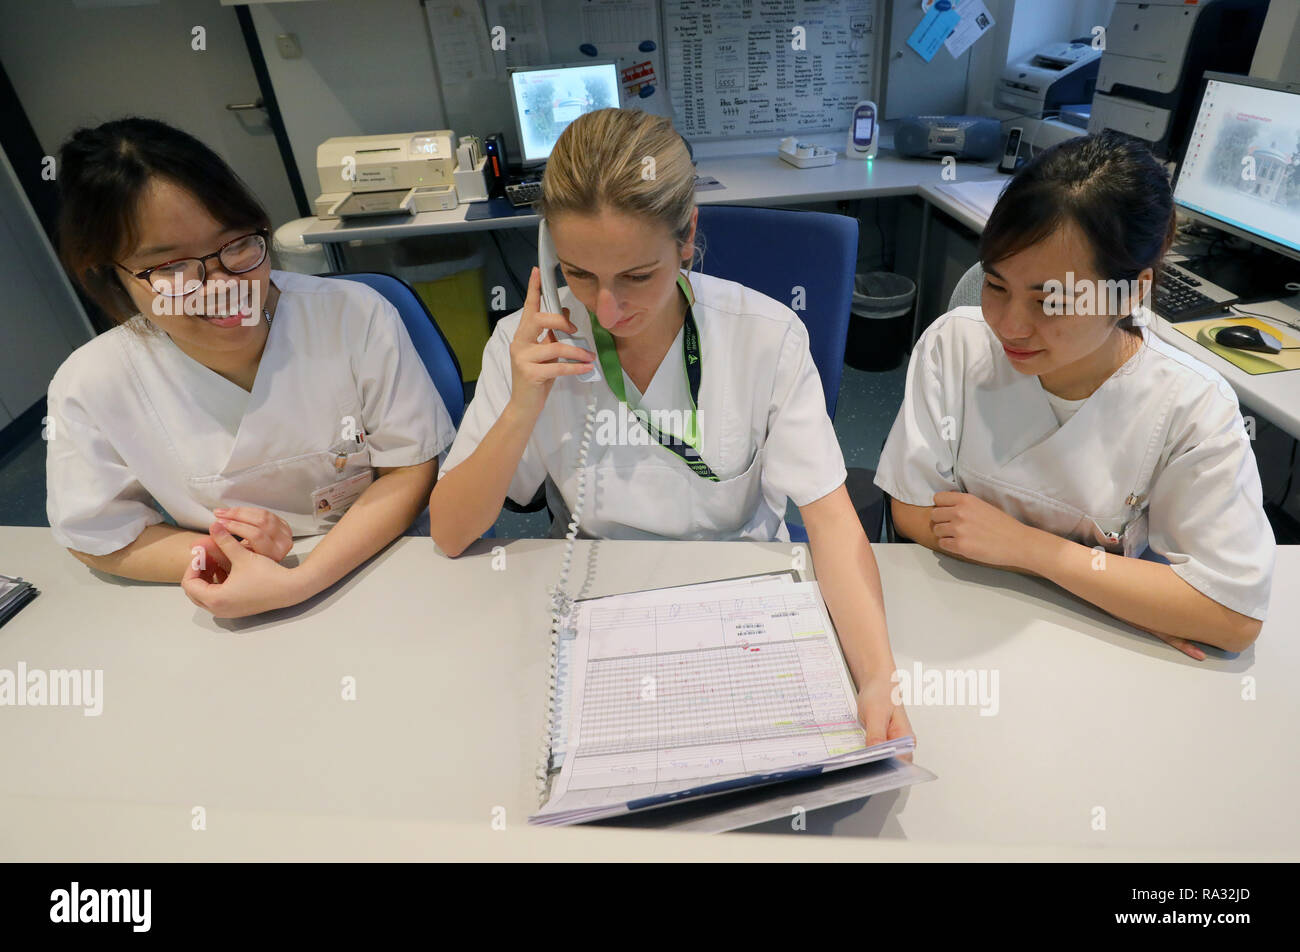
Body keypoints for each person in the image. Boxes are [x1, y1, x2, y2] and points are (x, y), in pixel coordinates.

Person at [429, 108, 911, 746]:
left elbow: (830, 519)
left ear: (687, 238)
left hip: (742, 597)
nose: (607, 308)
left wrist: (877, 679)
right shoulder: (527, 346)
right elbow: (452, 532)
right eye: (578, 273)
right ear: (549, 255)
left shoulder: (765, 337)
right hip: (599, 603)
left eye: (637, 276)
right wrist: (523, 403)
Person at [875, 130, 1274, 657]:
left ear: (1131, 291)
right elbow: (910, 508)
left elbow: (1232, 616)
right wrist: (1126, 592)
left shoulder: (1193, 407)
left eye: (1053, 301)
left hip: (1097, 651)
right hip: (968, 619)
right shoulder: (954, 346)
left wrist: (1028, 548)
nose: (1010, 326)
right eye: (996, 286)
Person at [47, 118, 453, 618]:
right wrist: (226, 553)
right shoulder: (92, 382)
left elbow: (408, 469)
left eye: (236, 244)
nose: (223, 286)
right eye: (172, 268)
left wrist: (300, 580)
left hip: (384, 563)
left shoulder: (352, 315)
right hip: (229, 594)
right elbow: (97, 535)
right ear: (109, 276)